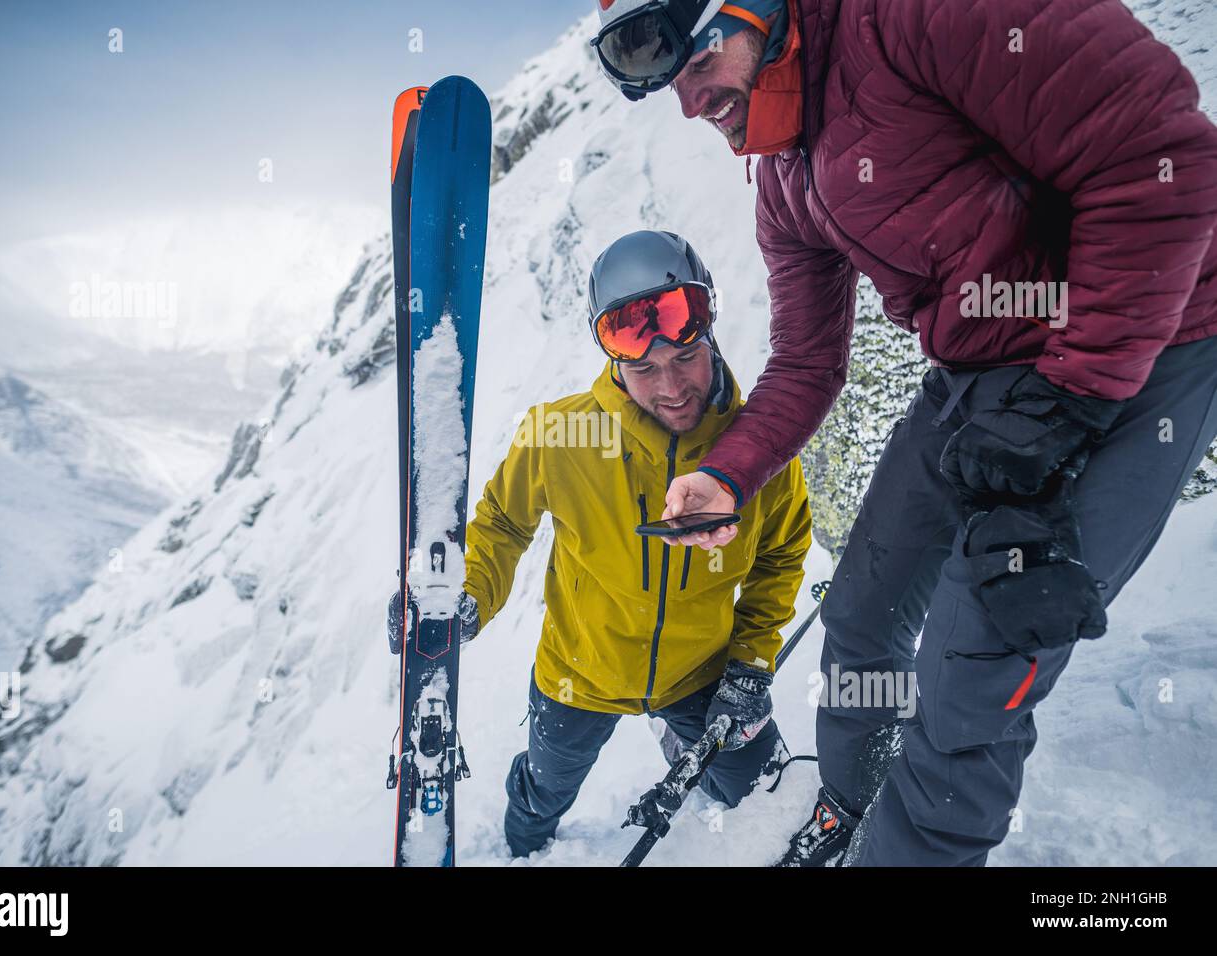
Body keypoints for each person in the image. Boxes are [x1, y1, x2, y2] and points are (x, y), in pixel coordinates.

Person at [592, 0, 1217, 865]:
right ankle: (851, 803)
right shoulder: (784, 176)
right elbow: (809, 361)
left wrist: (1064, 402)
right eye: (670, 89)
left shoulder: (915, 16)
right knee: (862, 614)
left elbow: (1161, 154)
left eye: (698, 68)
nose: (691, 106)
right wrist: (728, 476)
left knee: (974, 670)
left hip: (1143, 346)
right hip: (977, 373)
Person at [389, 230, 812, 857]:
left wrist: (751, 662)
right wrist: (467, 594)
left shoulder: (759, 452)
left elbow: (780, 556)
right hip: (579, 675)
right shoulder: (562, 434)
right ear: (616, 364)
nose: (669, 387)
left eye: (685, 358)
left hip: (703, 674)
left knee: (772, 800)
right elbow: (502, 523)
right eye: (643, 368)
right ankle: (521, 846)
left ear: (710, 335)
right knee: (543, 794)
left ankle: (681, 738)